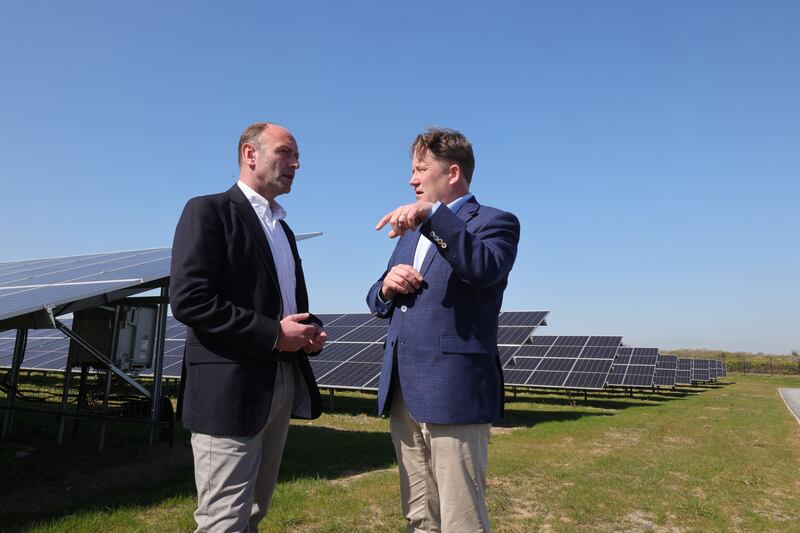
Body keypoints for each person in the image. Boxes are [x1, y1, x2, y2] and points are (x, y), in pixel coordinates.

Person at [170, 122, 326, 532]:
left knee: (254, 512)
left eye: (296, 156)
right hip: (230, 389)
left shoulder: (283, 230)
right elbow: (190, 300)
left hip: (280, 381)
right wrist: (275, 334)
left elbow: (285, 304)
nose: (296, 163)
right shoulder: (209, 211)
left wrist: (308, 332)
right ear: (249, 154)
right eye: (285, 152)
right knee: (224, 519)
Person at [367, 127, 520, 532]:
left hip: (454, 391)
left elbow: (482, 267)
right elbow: (377, 298)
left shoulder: (495, 223)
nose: (411, 179)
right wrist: (385, 286)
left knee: (461, 517)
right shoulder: (411, 230)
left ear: (452, 173)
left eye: (420, 169)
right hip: (404, 391)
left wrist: (434, 217)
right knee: (420, 515)